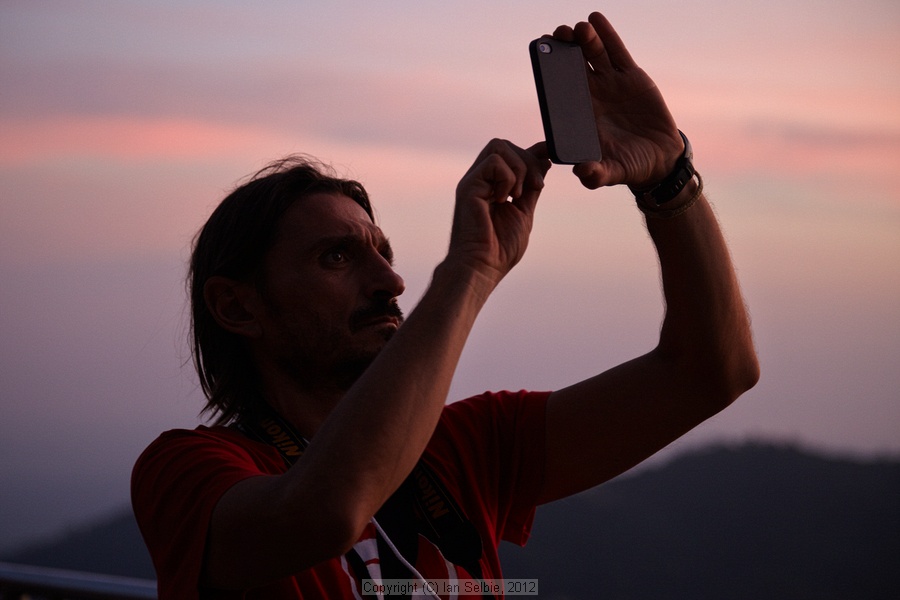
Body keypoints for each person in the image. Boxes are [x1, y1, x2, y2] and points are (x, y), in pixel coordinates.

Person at [132, 11, 759, 599]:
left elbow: (712, 372)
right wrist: (471, 269)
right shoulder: (189, 471)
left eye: (384, 252)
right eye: (337, 258)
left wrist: (669, 179)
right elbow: (327, 511)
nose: (391, 281)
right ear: (237, 308)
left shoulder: (466, 446)